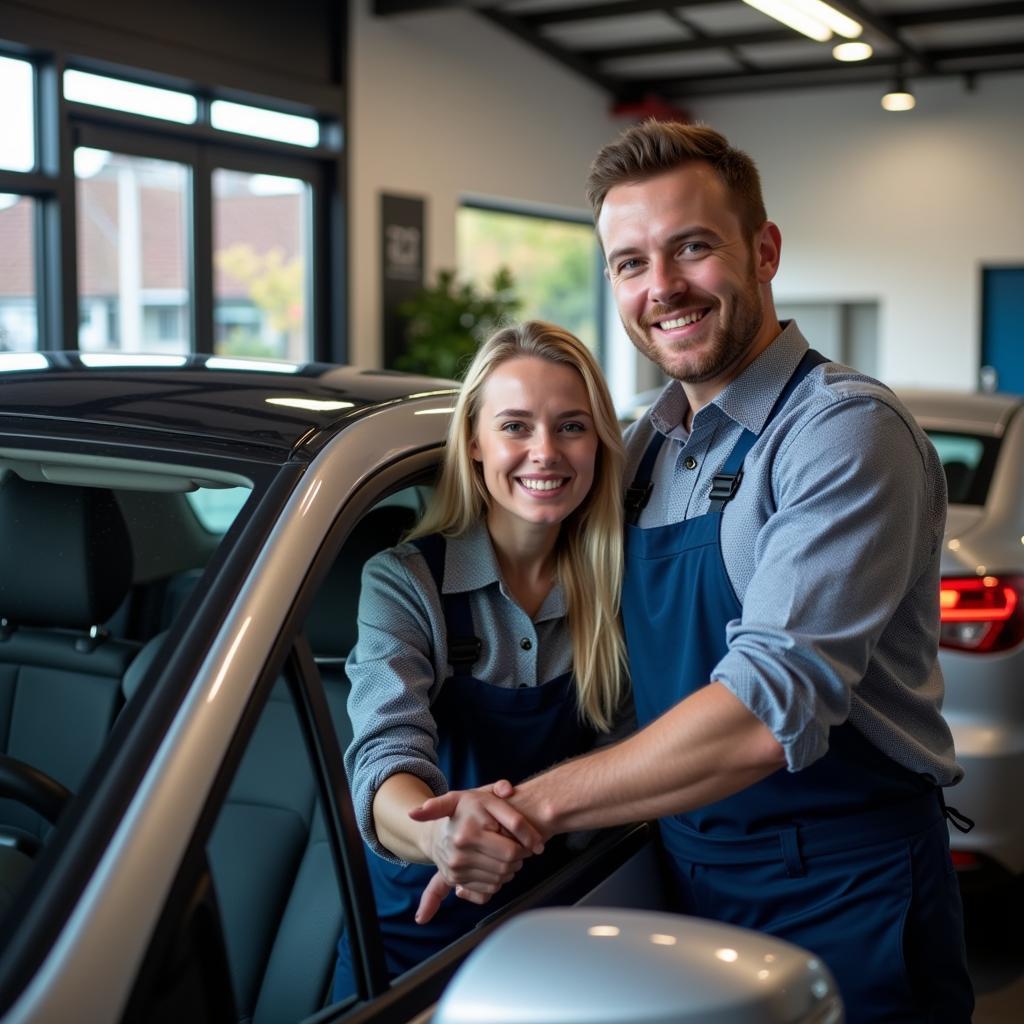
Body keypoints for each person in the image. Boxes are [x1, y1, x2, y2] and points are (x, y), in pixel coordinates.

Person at [414, 121, 974, 1021]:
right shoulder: (642, 446)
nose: (662, 287)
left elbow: (765, 710)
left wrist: (525, 809)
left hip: (841, 889)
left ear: (764, 250)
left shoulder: (839, 431)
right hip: (683, 867)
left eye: (692, 248)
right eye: (631, 263)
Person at [332, 320, 629, 1000]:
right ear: (474, 440)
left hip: (555, 933)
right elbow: (384, 758)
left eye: (572, 426)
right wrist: (444, 841)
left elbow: (634, 755)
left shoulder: (620, 587)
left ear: (599, 443)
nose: (545, 452)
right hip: (411, 941)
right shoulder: (404, 582)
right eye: (516, 426)